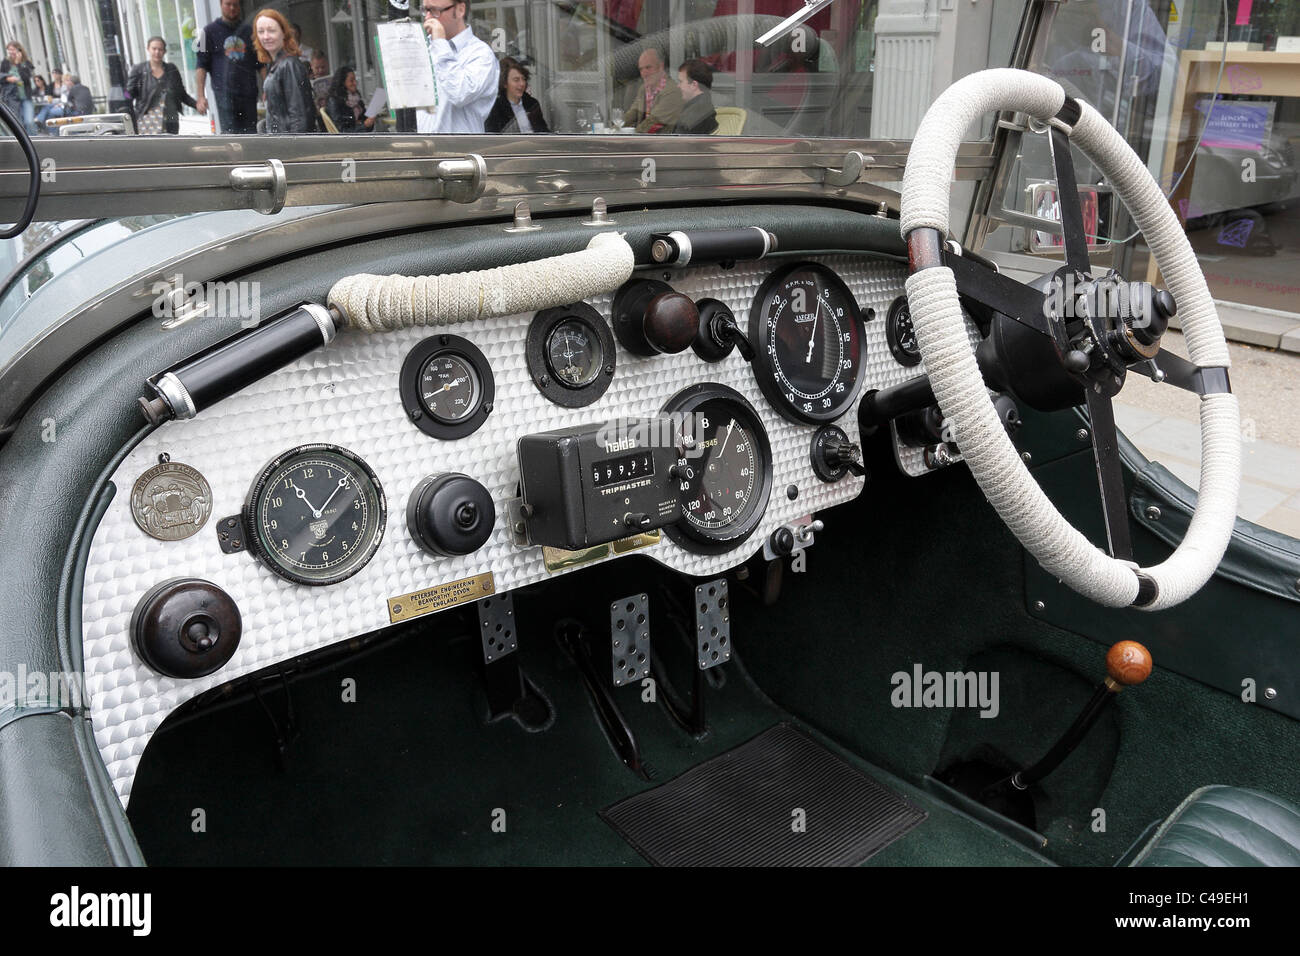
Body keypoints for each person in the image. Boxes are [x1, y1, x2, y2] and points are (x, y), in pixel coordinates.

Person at [416, 0, 497, 134]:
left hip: (459, 151)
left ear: (460, 10)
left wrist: (440, 44)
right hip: (420, 148)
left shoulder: (480, 54)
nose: (428, 18)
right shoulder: (424, 48)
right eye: (425, 10)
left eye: (435, 11)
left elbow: (460, 93)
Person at [195, 0, 259, 134]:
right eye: (228, 4)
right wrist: (200, 96)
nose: (232, 8)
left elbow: (261, 63)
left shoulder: (249, 31)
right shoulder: (207, 32)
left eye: (235, 5)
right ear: (221, 5)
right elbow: (201, 65)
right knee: (231, 136)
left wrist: (266, 91)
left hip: (248, 94)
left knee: (251, 135)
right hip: (224, 95)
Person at [253, 7, 316, 134]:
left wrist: (291, 150)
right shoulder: (275, 64)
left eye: (271, 30)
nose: (265, 36)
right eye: (260, 31)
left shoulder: (289, 65)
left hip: (289, 146)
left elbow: (299, 117)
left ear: (283, 33)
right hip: (280, 143)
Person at [127, 37, 198, 135]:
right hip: (147, 122)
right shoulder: (139, 70)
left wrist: (196, 105)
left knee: (170, 148)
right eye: (154, 49)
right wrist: (124, 104)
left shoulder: (171, 69)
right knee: (153, 149)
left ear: (165, 51)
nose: (157, 52)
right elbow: (128, 93)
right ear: (148, 49)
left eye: (160, 49)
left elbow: (181, 94)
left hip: (171, 121)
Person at [622, 47, 681, 134]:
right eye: (641, 69)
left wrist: (634, 136)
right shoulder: (644, 88)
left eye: (648, 67)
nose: (643, 74)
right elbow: (633, 113)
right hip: (645, 140)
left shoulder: (672, 91)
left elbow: (653, 121)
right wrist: (613, 130)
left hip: (663, 143)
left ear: (661, 66)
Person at [484, 57, 548, 134]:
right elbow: (493, 137)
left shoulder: (532, 104)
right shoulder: (495, 108)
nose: (522, 84)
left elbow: (543, 131)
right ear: (505, 83)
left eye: (523, 79)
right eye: (516, 80)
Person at [673, 58, 717, 135]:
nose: (678, 86)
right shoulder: (704, 107)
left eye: (681, 82)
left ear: (694, 85)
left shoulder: (695, 113)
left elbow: (677, 144)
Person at [0, 42, 36, 134]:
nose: (11, 52)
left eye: (12, 49)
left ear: (19, 50)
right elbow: (1, 77)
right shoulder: (5, 62)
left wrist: (18, 63)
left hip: (25, 97)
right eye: (9, 50)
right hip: (12, 97)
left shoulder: (26, 63)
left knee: (29, 122)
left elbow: (26, 78)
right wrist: (7, 78)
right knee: (17, 122)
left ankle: (34, 140)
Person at [325, 66, 374, 132]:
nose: (355, 83)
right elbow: (342, 131)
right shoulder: (334, 101)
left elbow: (366, 123)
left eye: (355, 80)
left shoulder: (357, 99)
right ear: (342, 83)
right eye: (351, 80)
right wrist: (364, 125)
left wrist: (370, 120)